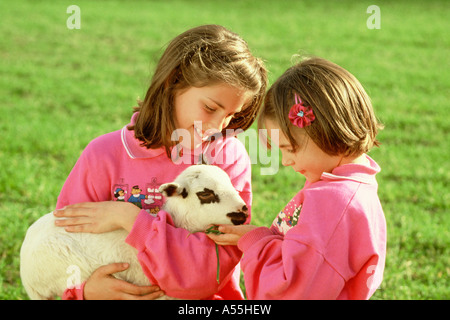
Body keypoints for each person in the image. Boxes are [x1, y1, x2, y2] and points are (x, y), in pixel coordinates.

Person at [53, 24, 267, 300]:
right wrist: (84, 291)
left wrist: (130, 219)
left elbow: (207, 273)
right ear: (173, 81)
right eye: (210, 108)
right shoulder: (103, 155)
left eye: (230, 116)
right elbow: (61, 247)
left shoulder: (227, 160)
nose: (217, 127)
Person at [207, 57, 387, 299]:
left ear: (323, 130)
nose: (285, 161)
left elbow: (291, 291)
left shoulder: (334, 202)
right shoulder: (347, 186)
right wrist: (261, 237)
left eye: (289, 148)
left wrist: (257, 246)